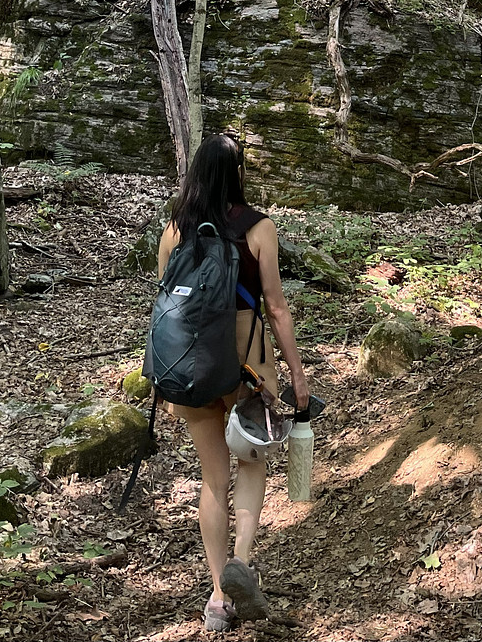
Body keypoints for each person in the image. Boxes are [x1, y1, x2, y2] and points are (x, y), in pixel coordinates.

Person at [157, 135, 310, 632]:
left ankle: (218, 596)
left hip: (191, 359)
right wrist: (297, 373)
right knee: (250, 461)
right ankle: (241, 560)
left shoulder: (175, 230)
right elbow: (276, 308)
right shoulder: (258, 227)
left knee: (211, 477)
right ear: (238, 173)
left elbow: (169, 304)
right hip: (247, 357)